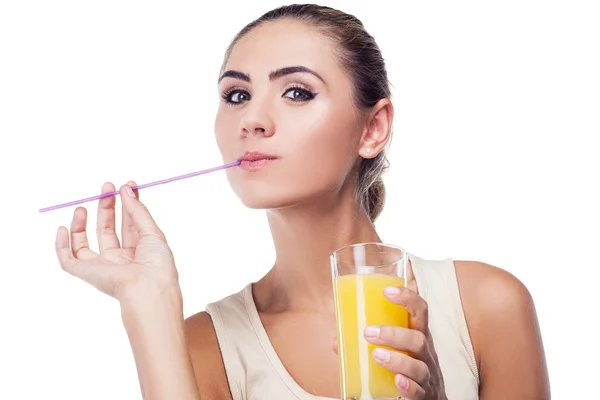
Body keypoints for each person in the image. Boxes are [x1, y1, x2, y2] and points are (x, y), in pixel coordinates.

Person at [54, 4, 550, 400]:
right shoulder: (203, 346)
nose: (253, 120)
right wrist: (148, 301)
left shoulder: (487, 306)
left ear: (372, 128)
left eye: (296, 91)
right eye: (235, 96)